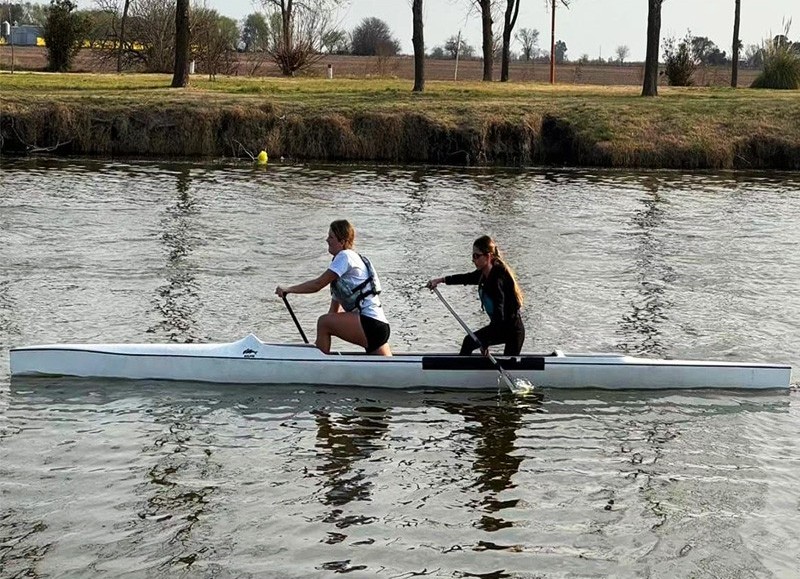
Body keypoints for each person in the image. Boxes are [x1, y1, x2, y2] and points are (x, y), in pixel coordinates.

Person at [275, 219, 392, 356]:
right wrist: (318, 343)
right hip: (378, 328)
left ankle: (318, 366)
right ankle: (319, 358)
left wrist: (288, 289)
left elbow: (317, 285)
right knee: (389, 370)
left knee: (323, 322)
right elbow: (333, 314)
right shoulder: (344, 274)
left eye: (331, 237)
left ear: (342, 242)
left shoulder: (345, 256)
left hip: (369, 324)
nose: (327, 240)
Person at [427, 235, 525, 356]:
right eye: (472, 256)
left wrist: (486, 341)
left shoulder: (498, 278)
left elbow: (500, 313)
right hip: (500, 327)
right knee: (469, 341)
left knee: (469, 341)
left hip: (512, 331)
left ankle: (461, 371)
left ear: (488, 256)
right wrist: (440, 280)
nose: (473, 260)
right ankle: (463, 369)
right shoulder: (484, 274)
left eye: (476, 256)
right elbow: (466, 278)